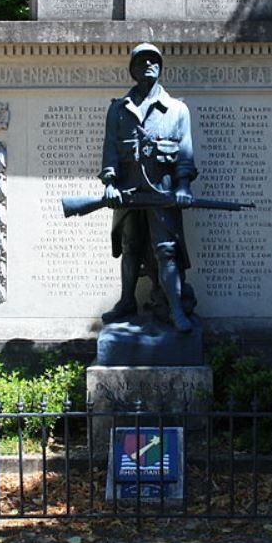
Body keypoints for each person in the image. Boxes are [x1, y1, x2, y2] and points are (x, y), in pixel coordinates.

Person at [99, 43, 197, 333]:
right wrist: (109, 182)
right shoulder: (118, 109)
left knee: (166, 251)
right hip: (128, 192)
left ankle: (176, 309)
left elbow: (185, 152)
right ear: (132, 69)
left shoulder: (177, 110)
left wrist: (183, 185)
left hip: (163, 193)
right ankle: (127, 300)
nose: (149, 66)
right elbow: (110, 150)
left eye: (154, 61)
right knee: (130, 248)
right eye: (141, 62)